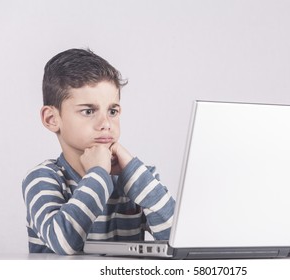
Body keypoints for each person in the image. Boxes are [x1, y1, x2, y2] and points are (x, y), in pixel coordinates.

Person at [22, 48, 175, 255]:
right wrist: (98, 174)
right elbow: (64, 243)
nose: (106, 124)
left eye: (112, 111)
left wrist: (134, 174)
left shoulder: (138, 178)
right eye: (88, 111)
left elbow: (179, 239)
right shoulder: (43, 179)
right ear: (52, 119)